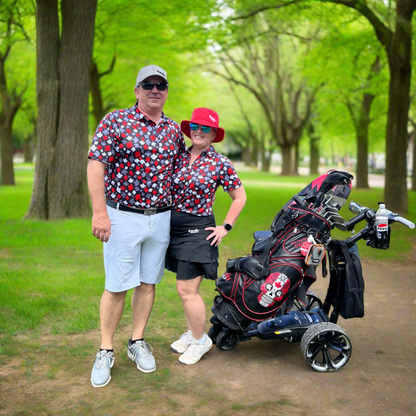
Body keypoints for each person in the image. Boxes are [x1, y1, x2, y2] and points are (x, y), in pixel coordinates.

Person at [87, 65, 186, 388]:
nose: (155, 90)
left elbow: (182, 174)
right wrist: (100, 213)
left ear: (167, 90)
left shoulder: (173, 130)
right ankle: (105, 349)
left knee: (147, 282)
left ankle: (137, 341)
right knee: (116, 285)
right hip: (123, 216)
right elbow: (96, 165)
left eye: (161, 85)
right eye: (148, 84)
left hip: (161, 218)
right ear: (137, 90)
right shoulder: (115, 121)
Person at [166, 107, 247, 365]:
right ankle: (192, 333)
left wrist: (226, 226)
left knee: (186, 289)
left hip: (199, 232)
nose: (199, 131)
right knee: (185, 290)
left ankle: (201, 341)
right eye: (196, 127)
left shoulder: (220, 163)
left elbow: (240, 197)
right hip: (174, 232)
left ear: (214, 134)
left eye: (206, 128)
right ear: (190, 130)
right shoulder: (177, 157)